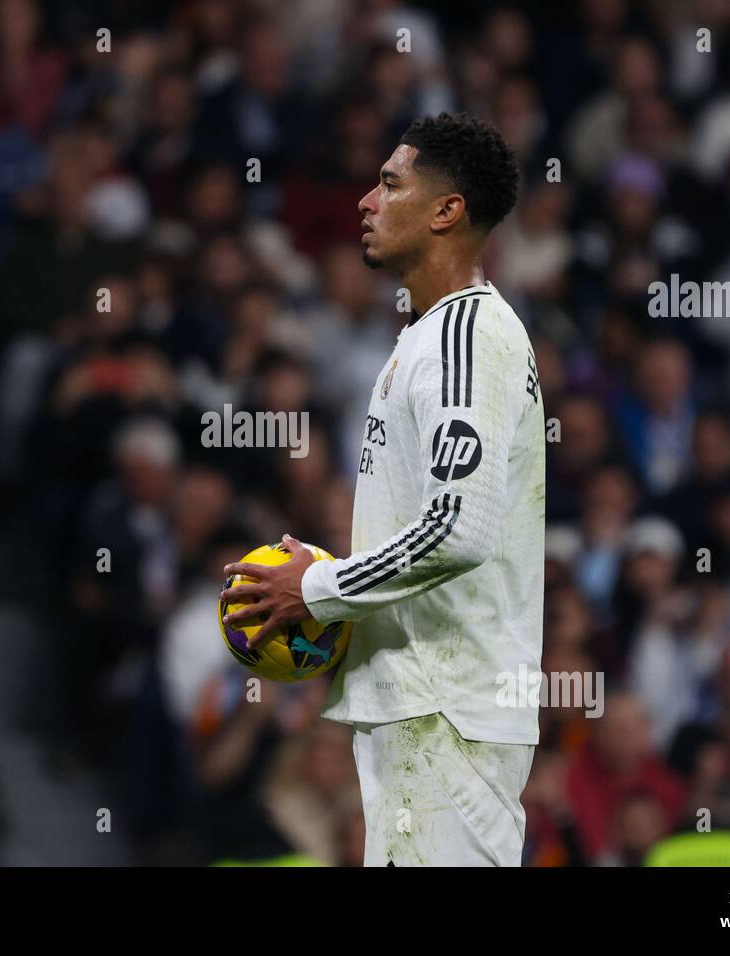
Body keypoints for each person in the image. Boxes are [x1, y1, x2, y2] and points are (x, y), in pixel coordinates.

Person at [220, 113, 543, 865]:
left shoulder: (465, 338)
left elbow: (459, 526)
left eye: (389, 183)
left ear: (446, 211)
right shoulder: (431, 335)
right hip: (426, 707)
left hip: (445, 710)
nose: (366, 201)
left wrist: (321, 587)